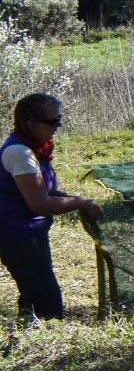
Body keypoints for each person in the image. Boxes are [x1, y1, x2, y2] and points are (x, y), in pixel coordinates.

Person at [0, 93, 103, 320]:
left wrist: (74, 199)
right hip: (17, 234)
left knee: (33, 292)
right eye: (52, 122)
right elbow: (40, 203)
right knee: (47, 303)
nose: (58, 126)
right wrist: (81, 202)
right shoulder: (20, 153)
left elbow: (46, 192)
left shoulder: (36, 147)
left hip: (28, 231)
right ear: (31, 124)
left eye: (59, 119)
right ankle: (40, 338)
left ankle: (26, 328)